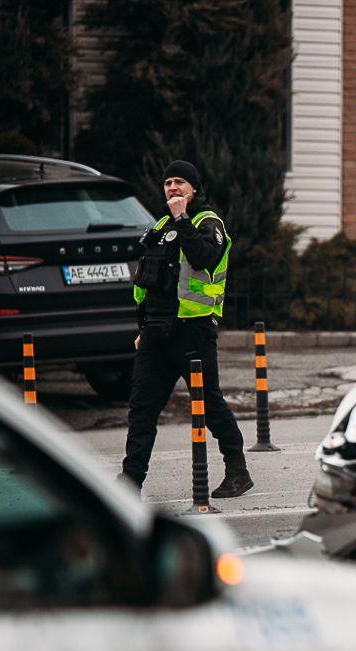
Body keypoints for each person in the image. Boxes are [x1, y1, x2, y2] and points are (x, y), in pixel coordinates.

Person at [118, 160, 254, 499]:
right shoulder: (161, 225)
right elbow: (144, 283)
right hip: (155, 333)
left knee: (209, 405)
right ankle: (130, 481)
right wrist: (141, 327)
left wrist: (182, 220)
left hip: (192, 332)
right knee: (141, 409)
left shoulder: (208, 223)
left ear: (194, 189)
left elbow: (205, 257)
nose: (172, 188)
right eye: (167, 183)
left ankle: (238, 471)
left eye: (179, 182)